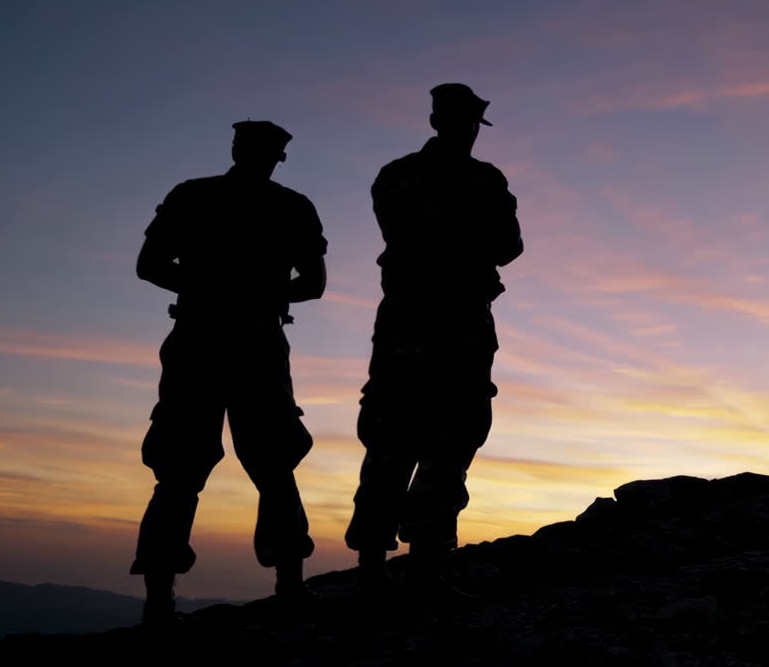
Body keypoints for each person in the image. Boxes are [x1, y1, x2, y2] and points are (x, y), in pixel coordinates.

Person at [131, 120, 328, 623]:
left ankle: (161, 600)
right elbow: (313, 284)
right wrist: (248, 295)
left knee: (193, 469)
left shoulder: (194, 196)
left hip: (208, 340)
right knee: (263, 465)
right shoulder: (290, 206)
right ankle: (287, 586)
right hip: (246, 343)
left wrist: (205, 290)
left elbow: (150, 266)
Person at [345, 84, 523, 597]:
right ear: (458, 123)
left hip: (414, 319)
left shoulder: (397, 176)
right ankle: (418, 562)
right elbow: (508, 247)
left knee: (404, 435)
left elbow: (400, 232)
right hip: (453, 321)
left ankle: (384, 564)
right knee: (439, 434)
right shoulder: (482, 181)